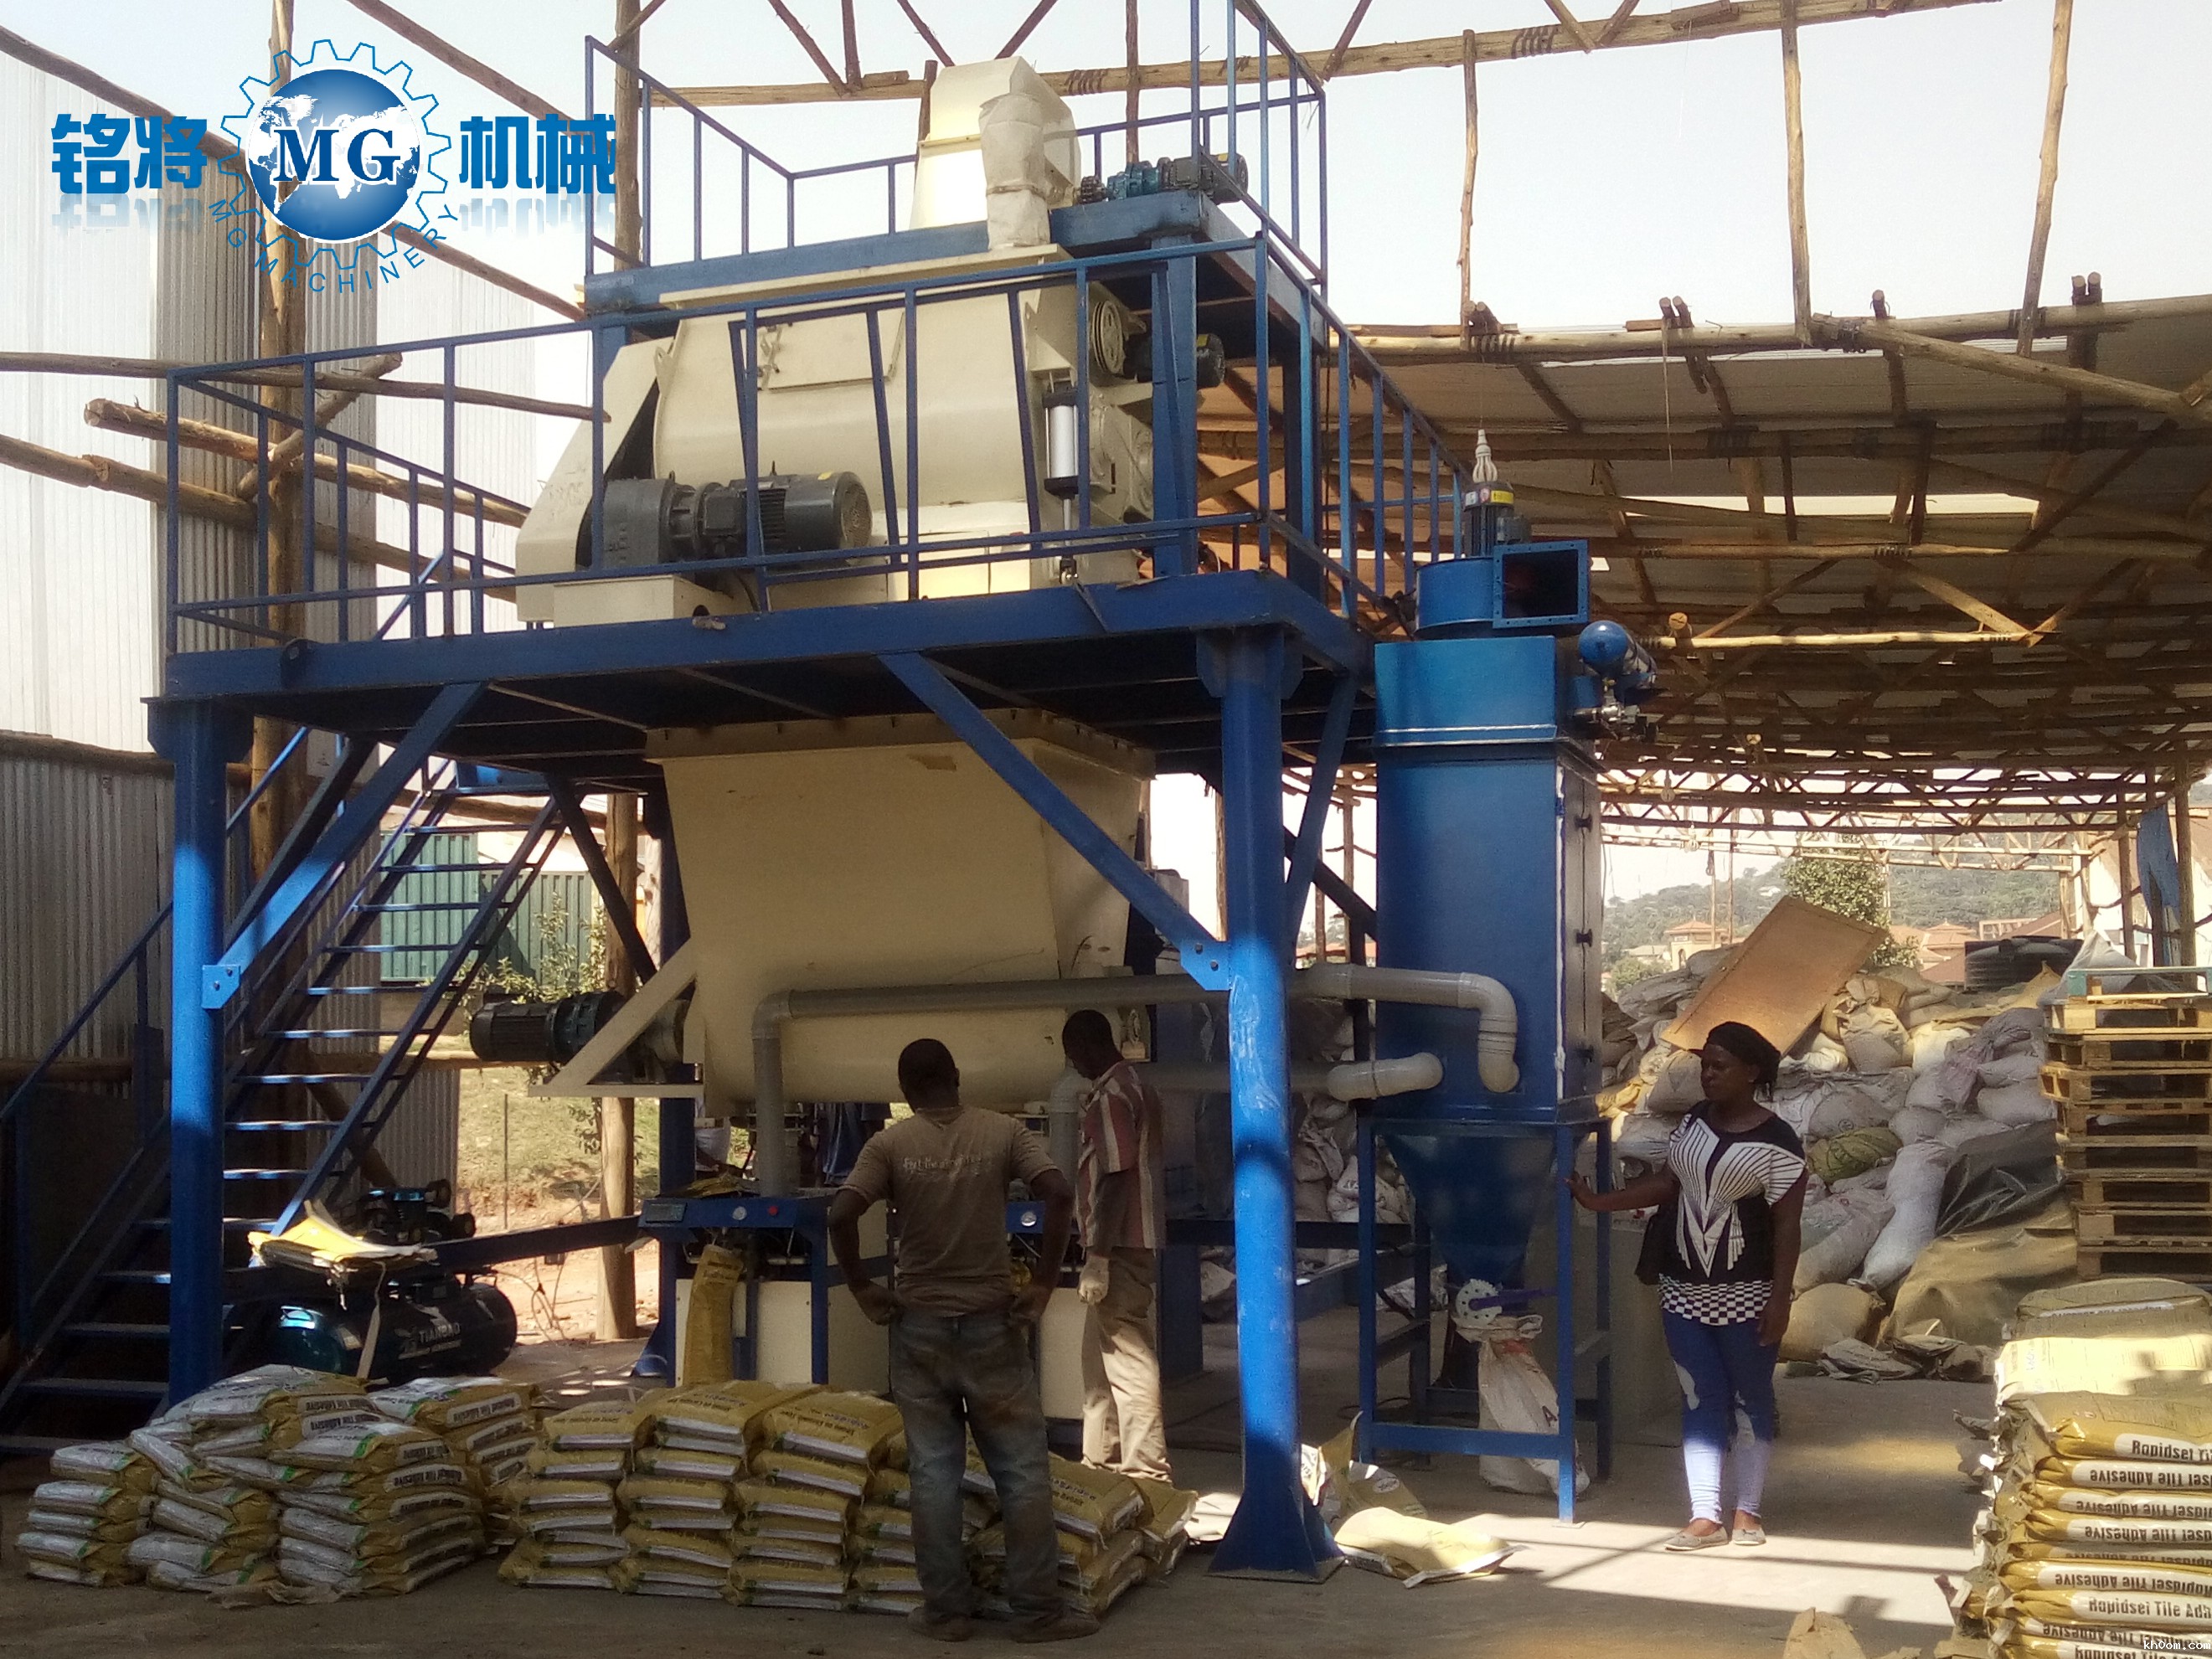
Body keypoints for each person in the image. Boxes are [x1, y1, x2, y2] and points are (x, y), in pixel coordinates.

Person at [828, 1038, 1092, 1643]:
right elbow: (1058, 1192)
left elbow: (840, 1214)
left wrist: (863, 1287)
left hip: (918, 1328)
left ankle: (946, 1613)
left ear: (904, 1089)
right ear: (956, 1075)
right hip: (991, 1325)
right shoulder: (1002, 1132)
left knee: (933, 1473)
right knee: (1022, 1470)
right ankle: (1038, 1612)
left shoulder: (890, 1145)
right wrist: (1044, 1282)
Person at [1568, 1019, 1805, 1551]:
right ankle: (1705, 1516)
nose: (1708, 1074)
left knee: (1750, 1398)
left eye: (1720, 1066)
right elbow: (1668, 1184)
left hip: (1749, 1295)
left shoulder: (1779, 1143)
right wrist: (1599, 1202)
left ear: (1752, 1072)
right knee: (1700, 1397)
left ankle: (1748, 1511)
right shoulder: (1694, 1121)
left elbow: (1788, 1228)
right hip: (1682, 1290)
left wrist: (1780, 1298)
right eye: (1705, 1065)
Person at [1058, 1010, 1173, 1484]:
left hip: (1119, 1247)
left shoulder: (1110, 1097)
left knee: (1128, 1359)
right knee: (1098, 1366)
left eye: (1073, 1055)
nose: (1075, 1065)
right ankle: (1100, 1465)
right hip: (1129, 1243)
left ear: (1088, 1047)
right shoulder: (1138, 1085)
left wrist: (1099, 1258)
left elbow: (1117, 1176)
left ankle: (1146, 1470)